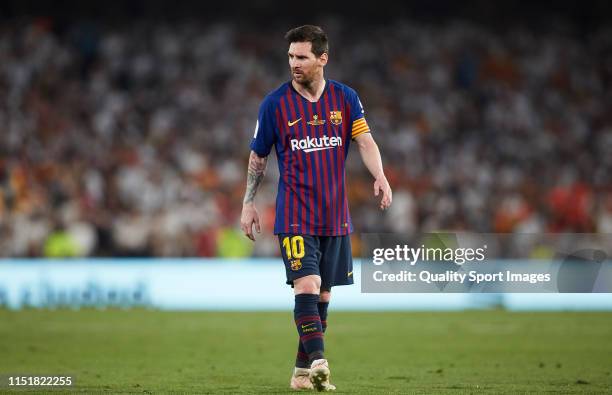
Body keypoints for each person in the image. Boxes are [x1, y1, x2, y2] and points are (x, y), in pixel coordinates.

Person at [240, 25, 392, 392]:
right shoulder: (274, 104)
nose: (294, 63)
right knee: (307, 284)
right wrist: (248, 203)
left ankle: (300, 373)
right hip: (294, 216)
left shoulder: (345, 98)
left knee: (322, 297)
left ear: (322, 59)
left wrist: (381, 176)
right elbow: (258, 156)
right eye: (291, 56)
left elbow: (365, 141)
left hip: (334, 215)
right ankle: (321, 364)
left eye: (302, 57)